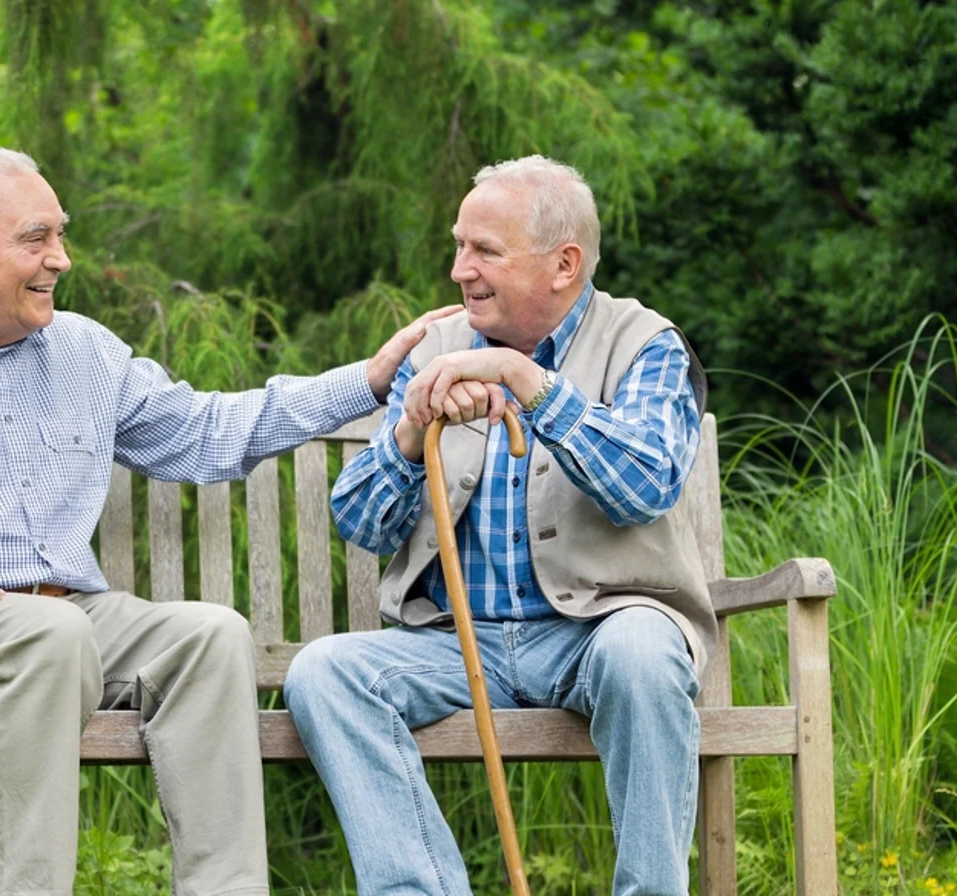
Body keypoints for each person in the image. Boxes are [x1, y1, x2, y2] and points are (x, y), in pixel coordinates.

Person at [0, 146, 458, 896]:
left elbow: (210, 431)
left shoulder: (84, 354)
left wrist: (367, 381)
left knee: (210, 638)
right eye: (36, 238)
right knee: (52, 634)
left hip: (62, 620)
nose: (62, 259)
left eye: (60, 235)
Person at [285, 155, 712, 896]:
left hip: (599, 632)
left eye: (484, 250)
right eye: (458, 246)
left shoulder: (644, 344)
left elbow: (645, 486)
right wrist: (410, 435)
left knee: (645, 654)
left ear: (563, 263)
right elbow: (360, 519)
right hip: (457, 643)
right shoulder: (440, 350)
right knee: (323, 674)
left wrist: (534, 387)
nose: (459, 270)